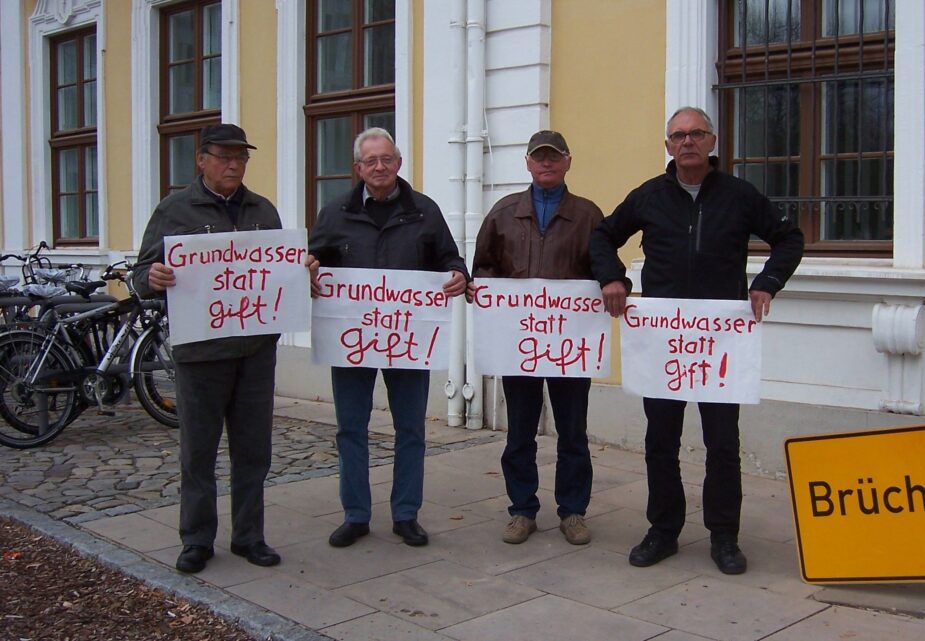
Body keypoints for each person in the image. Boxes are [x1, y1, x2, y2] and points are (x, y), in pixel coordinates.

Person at [590, 107, 804, 575]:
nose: (687, 142)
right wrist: (613, 278)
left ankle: (724, 535)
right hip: (664, 341)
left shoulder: (740, 196)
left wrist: (768, 281)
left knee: (722, 441)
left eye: (696, 134)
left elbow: (789, 239)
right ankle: (663, 530)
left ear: (712, 141)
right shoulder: (649, 196)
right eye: (678, 135)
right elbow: (602, 237)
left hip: (720, 342)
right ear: (667, 145)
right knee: (660, 439)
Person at [134, 123, 285, 574]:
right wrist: (151, 279)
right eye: (223, 156)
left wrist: (302, 268)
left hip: (255, 350)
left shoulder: (262, 210)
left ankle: (249, 536)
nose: (234, 164)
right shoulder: (175, 209)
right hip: (200, 352)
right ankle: (197, 539)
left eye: (241, 156)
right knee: (198, 450)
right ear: (202, 160)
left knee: (253, 449)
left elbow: (278, 270)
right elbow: (141, 273)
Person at [309, 127, 468, 549]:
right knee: (351, 429)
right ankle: (355, 515)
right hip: (352, 340)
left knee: (411, 428)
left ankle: (405, 514)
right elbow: (313, 259)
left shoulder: (424, 211)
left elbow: (450, 257)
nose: (380, 167)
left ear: (398, 163)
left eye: (388, 159)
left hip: (408, 339)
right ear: (358, 168)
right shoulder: (335, 212)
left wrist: (458, 274)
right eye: (371, 161)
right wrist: (307, 271)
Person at [467, 130, 603, 545]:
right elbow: (484, 266)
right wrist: (483, 291)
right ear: (527, 162)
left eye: (554, 157)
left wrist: (611, 288)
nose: (546, 164)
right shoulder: (504, 213)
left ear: (568, 161)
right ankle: (522, 510)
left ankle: (573, 511)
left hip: (569, 346)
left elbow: (603, 267)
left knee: (573, 432)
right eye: (539, 157)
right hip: (519, 345)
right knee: (519, 432)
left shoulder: (588, 216)